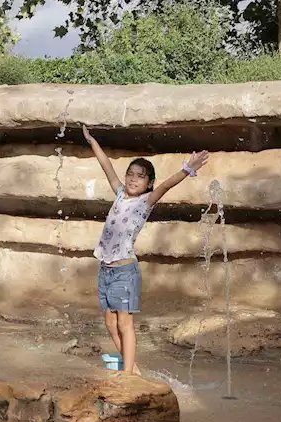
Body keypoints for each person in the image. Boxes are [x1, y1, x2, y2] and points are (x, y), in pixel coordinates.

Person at [83, 127, 210, 375]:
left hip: (124, 272)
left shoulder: (146, 201)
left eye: (140, 177)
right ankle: (134, 369)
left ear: (148, 183)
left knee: (124, 322)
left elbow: (166, 187)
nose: (132, 179)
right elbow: (106, 166)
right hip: (105, 270)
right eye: (130, 174)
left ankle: (128, 374)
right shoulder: (120, 193)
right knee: (110, 322)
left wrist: (187, 168)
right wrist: (92, 141)